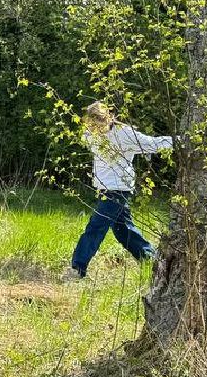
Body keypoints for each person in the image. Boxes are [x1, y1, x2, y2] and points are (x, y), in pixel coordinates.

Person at [65, 102, 172, 280]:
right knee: (124, 230)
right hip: (104, 188)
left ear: (108, 117)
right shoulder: (90, 134)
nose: (96, 127)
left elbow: (151, 143)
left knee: (96, 227)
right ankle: (153, 261)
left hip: (118, 189)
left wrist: (181, 140)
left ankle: (78, 268)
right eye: (92, 123)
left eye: (99, 122)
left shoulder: (124, 133)